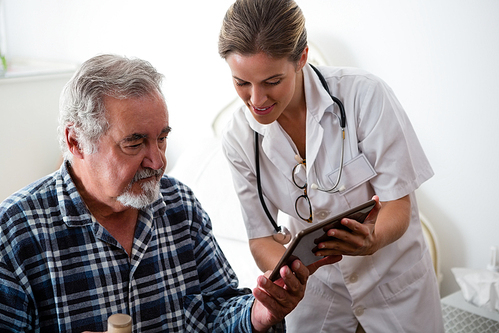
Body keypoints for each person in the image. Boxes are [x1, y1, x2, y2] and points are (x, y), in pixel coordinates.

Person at [0, 54, 316, 333]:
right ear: (76, 142)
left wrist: (259, 314)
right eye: (134, 143)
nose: (158, 161)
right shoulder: (15, 232)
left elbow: (218, 310)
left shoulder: (180, 205)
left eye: (162, 139)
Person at [218, 0, 444, 332]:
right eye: (242, 83)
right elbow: (261, 238)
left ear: (302, 58)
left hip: (394, 289)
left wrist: (372, 239)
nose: (256, 100)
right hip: (316, 296)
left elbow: (398, 206)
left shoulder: (364, 97)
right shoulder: (238, 138)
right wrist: (290, 275)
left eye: (272, 81)